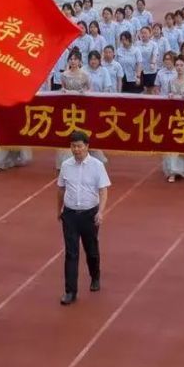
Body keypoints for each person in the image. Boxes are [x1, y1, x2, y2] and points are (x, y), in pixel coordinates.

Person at [56, 130, 109, 305]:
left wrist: (100, 212)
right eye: (73, 146)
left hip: (89, 214)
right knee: (71, 253)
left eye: (79, 146)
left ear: (87, 146)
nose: (76, 150)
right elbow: (61, 189)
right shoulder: (66, 165)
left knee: (91, 250)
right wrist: (59, 209)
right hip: (70, 214)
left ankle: (95, 275)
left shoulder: (97, 166)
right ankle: (70, 291)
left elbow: (103, 190)